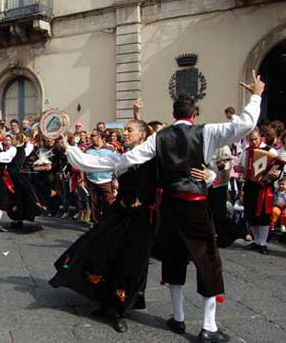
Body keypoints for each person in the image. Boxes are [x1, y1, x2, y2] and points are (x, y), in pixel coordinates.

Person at [113, 71, 265, 342]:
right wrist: (255, 96)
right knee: (207, 261)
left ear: (174, 113)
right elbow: (245, 124)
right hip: (195, 205)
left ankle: (179, 318)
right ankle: (208, 326)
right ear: (194, 113)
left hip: (170, 205)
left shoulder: (159, 137)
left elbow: (131, 158)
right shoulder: (207, 131)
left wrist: (116, 168)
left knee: (174, 258)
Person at [52, 119, 211, 333]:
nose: (124, 133)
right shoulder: (119, 158)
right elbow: (88, 162)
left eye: (129, 130)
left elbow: (182, 171)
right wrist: (68, 147)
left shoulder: (157, 160)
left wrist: (210, 176)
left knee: (130, 265)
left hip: (142, 219)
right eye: (124, 130)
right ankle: (105, 302)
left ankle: (118, 310)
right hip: (117, 215)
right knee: (98, 251)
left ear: (143, 136)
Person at [236, 128, 279, 255]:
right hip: (250, 185)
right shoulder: (246, 152)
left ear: (260, 137)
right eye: (251, 140)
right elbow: (241, 168)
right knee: (251, 214)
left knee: (264, 215)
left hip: (264, 187)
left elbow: (277, 167)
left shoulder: (270, 150)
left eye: (255, 139)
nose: (253, 142)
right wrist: (238, 168)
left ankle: (263, 243)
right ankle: (256, 241)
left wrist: (275, 174)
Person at [84, 132, 116, 225]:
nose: (90, 138)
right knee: (94, 203)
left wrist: (115, 179)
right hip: (92, 180)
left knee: (109, 202)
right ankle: (96, 223)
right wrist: (83, 179)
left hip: (107, 181)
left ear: (100, 137)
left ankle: (110, 222)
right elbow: (83, 165)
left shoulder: (111, 150)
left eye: (93, 136)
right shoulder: (87, 150)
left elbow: (116, 165)